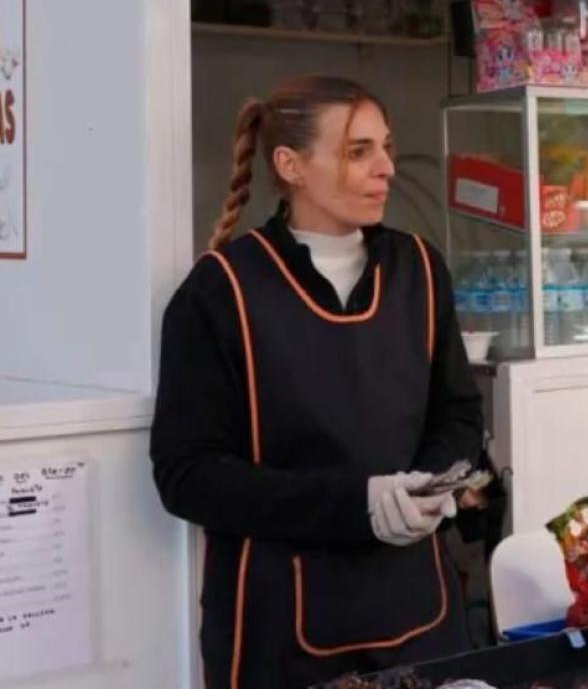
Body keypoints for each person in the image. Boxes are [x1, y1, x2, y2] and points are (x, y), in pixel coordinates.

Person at [151, 75, 484, 689]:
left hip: (422, 613)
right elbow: (187, 476)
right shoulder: (219, 292)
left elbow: (461, 417)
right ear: (291, 164)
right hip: (278, 631)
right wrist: (357, 504)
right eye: (359, 151)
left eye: (385, 146)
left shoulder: (420, 270)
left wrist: (429, 486)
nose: (387, 167)